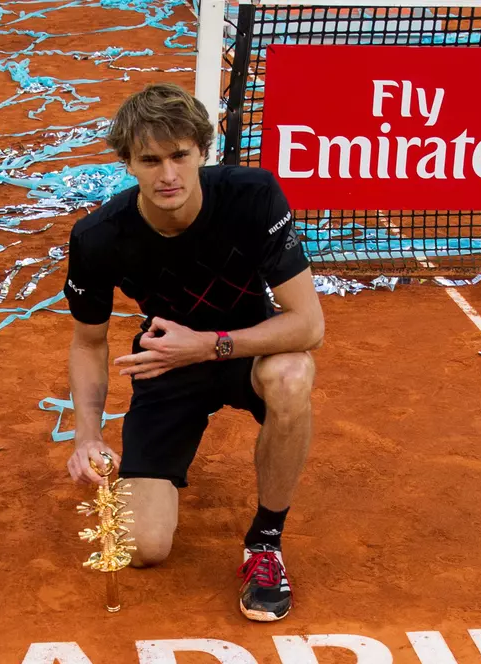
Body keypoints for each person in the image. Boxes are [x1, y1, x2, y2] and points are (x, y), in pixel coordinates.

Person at [62, 81, 324, 622]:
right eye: (150, 160)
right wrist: (86, 435)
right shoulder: (98, 237)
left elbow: (308, 325)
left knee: (293, 376)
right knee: (144, 548)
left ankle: (265, 544)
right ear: (128, 164)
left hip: (246, 349)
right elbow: (88, 342)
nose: (168, 175)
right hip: (167, 367)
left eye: (180, 155)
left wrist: (206, 346)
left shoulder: (253, 197)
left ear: (203, 151)